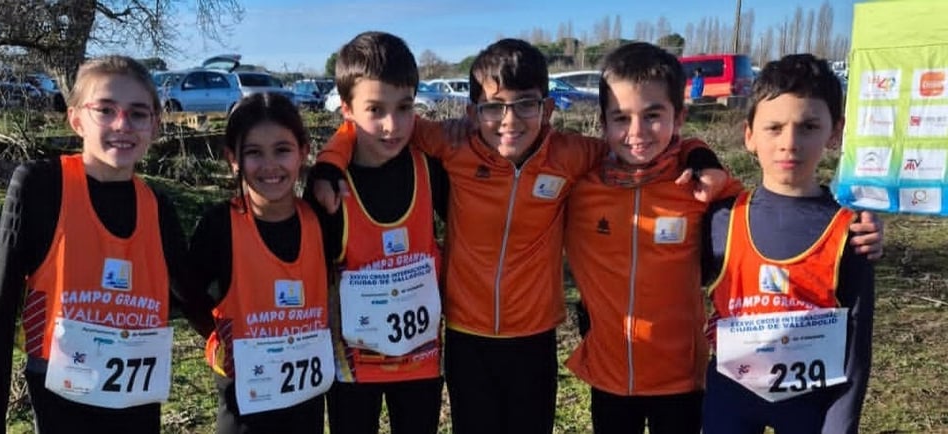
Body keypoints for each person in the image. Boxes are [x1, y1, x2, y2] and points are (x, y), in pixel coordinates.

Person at [315, 38, 731, 434]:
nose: (509, 122)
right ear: (472, 111)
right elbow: (366, 123)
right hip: (467, 335)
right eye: (493, 107)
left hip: (535, 337)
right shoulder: (453, 145)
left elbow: (636, 142)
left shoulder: (571, 155)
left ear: (547, 109)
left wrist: (699, 154)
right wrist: (329, 164)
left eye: (526, 105)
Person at [564, 43, 883, 434]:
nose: (637, 131)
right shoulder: (579, 188)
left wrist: (861, 228)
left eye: (653, 116)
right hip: (608, 374)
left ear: (679, 117)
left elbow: (782, 212)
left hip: (682, 378)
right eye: (621, 118)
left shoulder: (702, 191)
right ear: (603, 122)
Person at [0, 55, 186, 434]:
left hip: (137, 410)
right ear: (76, 119)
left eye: (138, 113)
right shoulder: (41, 187)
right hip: (61, 411)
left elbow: (200, 297)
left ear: (155, 125)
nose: (122, 124)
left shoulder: (159, 208)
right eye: (105, 110)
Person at [701, 53, 876, 434]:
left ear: (835, 132)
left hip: (811, 404)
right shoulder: (722, 218)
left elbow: (857, 342)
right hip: (729, 397)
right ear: (749, 135)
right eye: (774, 128)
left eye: (809, 126)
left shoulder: (852, 231)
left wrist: (841, 425)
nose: (790, 143)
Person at [306, 31, 448, 434]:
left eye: (404, 107)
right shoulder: (328, 186)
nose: (392, 125)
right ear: (347, 109)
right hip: (353, 369)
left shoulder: (429, 168)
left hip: (420, 361)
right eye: (375, 109)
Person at [179, 92, 334, 434]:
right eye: (253, 153)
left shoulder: (322, 218)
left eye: (282, 150)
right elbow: (188, 294)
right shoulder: (220, 225)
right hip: (244, 406)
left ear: (303, 151)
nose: (270, 165)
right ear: (232, 158)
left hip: (305, 402)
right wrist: (216, 335)